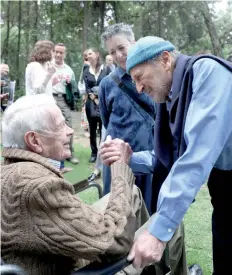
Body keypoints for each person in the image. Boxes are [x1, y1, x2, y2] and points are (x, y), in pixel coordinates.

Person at [103, 35, 232, 274]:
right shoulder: (173, 95)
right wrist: (130, 159)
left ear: (164, 60)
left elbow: (195, 157)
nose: (139, 88)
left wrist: (158, 231)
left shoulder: (208, 73)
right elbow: (169, 157)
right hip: (223, 187)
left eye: (140, 77)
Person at [1, 94, 149, 275]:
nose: (70, 130)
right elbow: (114, 242)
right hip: (81, 267)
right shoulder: (38, 186)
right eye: (61, 125)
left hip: (59, 254)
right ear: (34, 140)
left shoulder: (10, 170)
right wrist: (120, 167)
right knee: (164, 229)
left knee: (132, 192)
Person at [99, 23, 155, 215]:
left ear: (134, 43)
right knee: (116, 209)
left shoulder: (152, 75)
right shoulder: (107, 84)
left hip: (147, 152)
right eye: (112, 52)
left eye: (122, 48)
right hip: (117, 156)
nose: (118, 55)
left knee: (146, 208)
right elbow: (106, 119)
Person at [52, 42, 79, 166]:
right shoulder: (48, 66)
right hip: (50, 98)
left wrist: (70, 82)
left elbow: (75, 88)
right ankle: (52, 154)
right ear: (53, 52)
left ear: (65, 54)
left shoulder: (68, 69)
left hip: (63, 99)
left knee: (68, 125)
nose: (58, 54)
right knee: (50, 126)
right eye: (56, 52)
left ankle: (69, 153)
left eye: (61, 52)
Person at [83, 48, 111, 163]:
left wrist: (100, 99)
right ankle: (94, 153)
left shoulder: (107, 69)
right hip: (91, 104)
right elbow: (87, 88)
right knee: (93, 129)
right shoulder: (86, 71)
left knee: (103, 129)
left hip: (104, 102)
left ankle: (101, 153)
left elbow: (110, 84)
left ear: (97, 54)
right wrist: (94, 98)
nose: (88, 55)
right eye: (86, 54)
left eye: (90, 53)